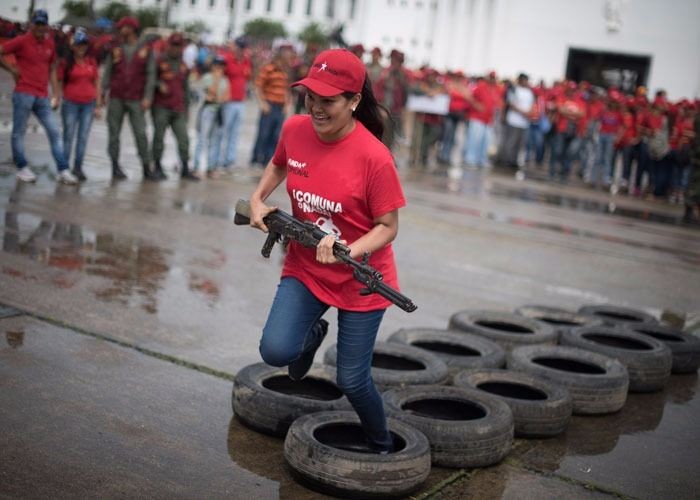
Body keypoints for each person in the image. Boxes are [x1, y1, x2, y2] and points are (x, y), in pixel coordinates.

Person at [248, 49, 406, 454]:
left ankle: (383, 444)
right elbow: (279, 164)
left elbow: (388, 228)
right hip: (306, 267)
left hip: (362, 279)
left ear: (353, 101)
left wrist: (347, 249)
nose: (316, 108)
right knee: (276, 351)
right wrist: (258, 199)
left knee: (352, 380)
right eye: (311, 97)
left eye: (329, 100)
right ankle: (313, 332)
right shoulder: (295, 129)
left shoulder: (374, 158)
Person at [0, 9, 77, 184]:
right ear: (32, 24)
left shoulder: (50, 44)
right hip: (24, 93)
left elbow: (51, 70)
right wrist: (10, 69)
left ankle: (63, 169)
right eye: (38, 24)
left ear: (47, 26)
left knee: (54, 131)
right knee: (18, 133)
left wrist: (56, 93)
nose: (41, 28)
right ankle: (22, 168)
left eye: (44, 24)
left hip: (42, 95)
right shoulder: (22, 40)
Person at [101, 16, 157, 181]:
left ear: (132, 29)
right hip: (117, 95)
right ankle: (115, 166)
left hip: (136, 97)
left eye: (123, 28)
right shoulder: (115, 48)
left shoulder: (145, 49)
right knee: (113, 133)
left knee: (140, 133)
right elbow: (108, 71)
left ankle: (146, 167)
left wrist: (148, 97)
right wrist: (103, 92)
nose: (120, 31)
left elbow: (151, 74)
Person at [152, 33, 197, 181]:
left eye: (179, 46)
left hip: (178, 108)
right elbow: (150, 80)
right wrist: (159, 85)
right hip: (161, 107)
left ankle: (185, 168)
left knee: (184, 139)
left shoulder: (183, 65)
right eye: (174, 45)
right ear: (169, 45)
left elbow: (185, 88)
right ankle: (157, 166)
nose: (176, 49)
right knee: (159, 138)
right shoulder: (159, 61)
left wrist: (187, 108)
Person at [58, 30, 102, 182]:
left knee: (82, 137)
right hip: (70, 103)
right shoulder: (66, 63)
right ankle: (63, 168)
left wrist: (98, 105)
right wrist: (57, 97)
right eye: (78, 44)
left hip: (88, 105)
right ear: (73, 46)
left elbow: (97, 83)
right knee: (68, 136)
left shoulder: (91, 62)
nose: (81, 47)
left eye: (84, 44)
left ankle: (78, 167)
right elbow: (58, 80)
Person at [250, 45, 293, 167]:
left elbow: (287, 89)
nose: (289, 56)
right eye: (287, 53)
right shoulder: (269, 68)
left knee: (276, 135)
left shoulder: (286, 70)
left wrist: (287, 104)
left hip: (280, 107)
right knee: (263, 134)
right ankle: (256, 159)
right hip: (269, 105)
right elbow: (258, 86)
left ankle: (268, 160)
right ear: (281, 55)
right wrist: (262, 103)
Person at [217, 35, 252, 171]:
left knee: (235, 132)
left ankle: (229, 160)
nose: (242, 50)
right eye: (240, 47)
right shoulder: (226, 59)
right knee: (223, 131)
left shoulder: (246, 61)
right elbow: (219, 76)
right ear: (235, 47)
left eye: (244, 48)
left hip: (240, 101)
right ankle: (218, 160)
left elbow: (248, 77)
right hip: (228, 101)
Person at [193, 55, 230, 178]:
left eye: (222, 66)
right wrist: (216, 79)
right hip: (207, 111)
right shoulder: (208, 78)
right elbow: (212, 93)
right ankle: (196, 167)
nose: (220, 68)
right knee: (202, 139)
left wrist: (218, 96)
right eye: (217, 66)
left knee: (215, 141)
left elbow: (226, 97)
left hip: (218, 112)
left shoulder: (225, 80)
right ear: (213, 66)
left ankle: (211, 167)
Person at [497, 73, 534, 169]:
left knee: (520, 143)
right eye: (524, 80)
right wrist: (523, 113)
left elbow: (532, 106)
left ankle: (514, 161)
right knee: (511, 142)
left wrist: (530, 114)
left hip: (524, 123)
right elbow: (511, 104)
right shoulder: (514, 89)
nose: (526, 82)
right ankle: (506, 160)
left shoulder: (529, 92)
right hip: (514, 121)